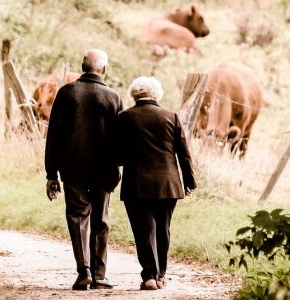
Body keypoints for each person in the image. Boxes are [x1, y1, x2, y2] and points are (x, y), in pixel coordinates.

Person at [45, 48, 123, 290]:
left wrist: (51, 173)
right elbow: (120, 139)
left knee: (77, 217)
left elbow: (54, 136)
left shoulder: (67, 93)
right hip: (104, 170)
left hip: (73, 168)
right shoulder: (113, 97)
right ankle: (100, 275)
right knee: (101, 219)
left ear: (82, 66)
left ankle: (84, 271)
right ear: (104, 70)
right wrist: (118, 164)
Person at [116, 76, 197, 290]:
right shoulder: (171, 117)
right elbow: (184, 154)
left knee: (143, 231)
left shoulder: (124, 118)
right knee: (163, 228)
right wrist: (189, 181)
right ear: (156, 94)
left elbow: (117, 154)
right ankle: (161, 274)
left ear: (134, 94)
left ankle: (149, 276)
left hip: (136, 184)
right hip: (168, 183)